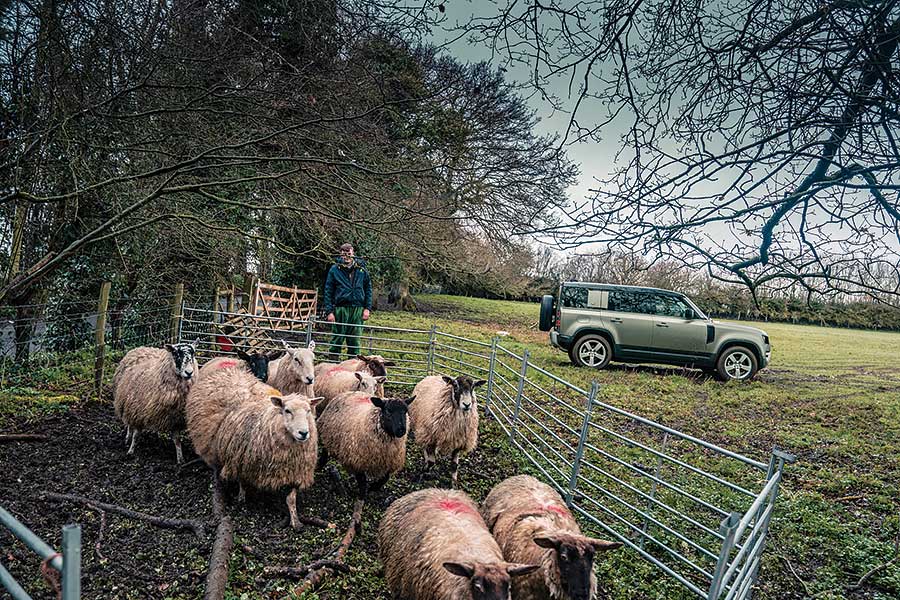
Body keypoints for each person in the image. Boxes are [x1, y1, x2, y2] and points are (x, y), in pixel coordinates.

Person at [323, 243, 372, 358]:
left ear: (353, 253)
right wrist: (329, 312)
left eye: (348, 254)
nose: (346, 257)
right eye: (344, 254)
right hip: (341, 308)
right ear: (340, 254)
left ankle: (352, 367)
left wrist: (367, 308)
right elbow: (328, 291)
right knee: (337, 338)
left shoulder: (362, 269)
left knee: (354, 340)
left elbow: (368, 289)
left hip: (357, 308)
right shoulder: (335, 269)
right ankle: (332, 364)